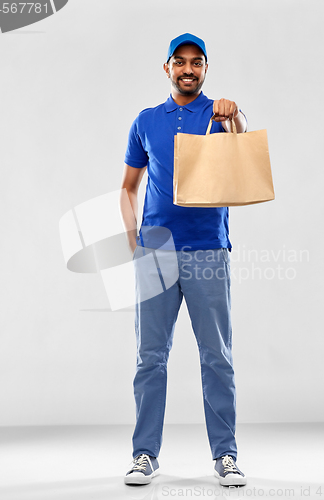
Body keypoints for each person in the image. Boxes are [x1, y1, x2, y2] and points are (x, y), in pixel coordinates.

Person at [120, 33, 247, 487]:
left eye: (197, 62)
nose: (188, 69)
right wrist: (136, 240)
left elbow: (238, 166)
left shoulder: (217, 113)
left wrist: (233, 120)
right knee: (150, 357)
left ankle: (226, 456)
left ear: (206, 69)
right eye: (180, 62)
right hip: (155, 252)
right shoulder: (147, 120)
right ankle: (144, 455)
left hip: (208, 248)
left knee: (217, 357)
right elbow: (127, 186)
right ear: (168, 68)